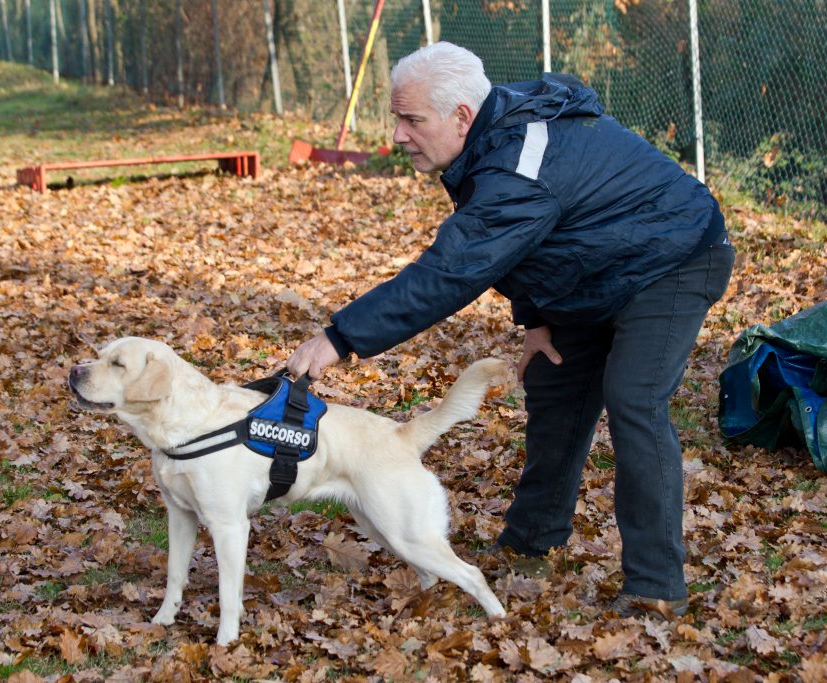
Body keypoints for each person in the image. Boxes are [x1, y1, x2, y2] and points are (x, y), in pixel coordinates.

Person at [286, 41, 734, 618]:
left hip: (672, 259)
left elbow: (456, 267)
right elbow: (525, 241)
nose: (398, 134)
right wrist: (537, 318)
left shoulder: (521, 161)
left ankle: (655, 585)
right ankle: (531, 541)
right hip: (596, 268)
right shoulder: (490, 140)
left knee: (634, 399)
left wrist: (340, 338)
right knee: (554, 390)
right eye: (398, 116)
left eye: (411, 120)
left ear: (462, 117)